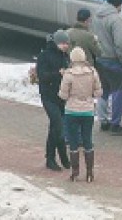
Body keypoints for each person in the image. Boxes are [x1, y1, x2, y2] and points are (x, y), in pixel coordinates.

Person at [58, 47, 102, 182]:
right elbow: (98, 93)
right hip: (88, 110)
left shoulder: (69, 74)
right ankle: (89, 173)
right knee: (87, 139)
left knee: (73, 142)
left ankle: (75, 172)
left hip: (72, 111)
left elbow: (63, 95)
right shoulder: (92, 72)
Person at [92, 0, 122, 135]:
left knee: (103, 90)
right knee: (119, 91)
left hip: (100, 58)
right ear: (118, 5)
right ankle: (115, 123)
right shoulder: (115, 19)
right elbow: (120, 42)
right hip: (114, 60)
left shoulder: (96, 16)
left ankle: (103, 120)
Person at [36, 29, 71, 171]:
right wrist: (58, 74)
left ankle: (51, 158)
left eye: (67, 43)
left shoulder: (65, 56)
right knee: (58, 125)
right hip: (48, 95)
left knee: (55, 127)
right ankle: (61, 157)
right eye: (63, 43)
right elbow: (42, 76)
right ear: (56, 43)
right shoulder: (45, 56)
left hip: (61, 96)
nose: (65, 46)